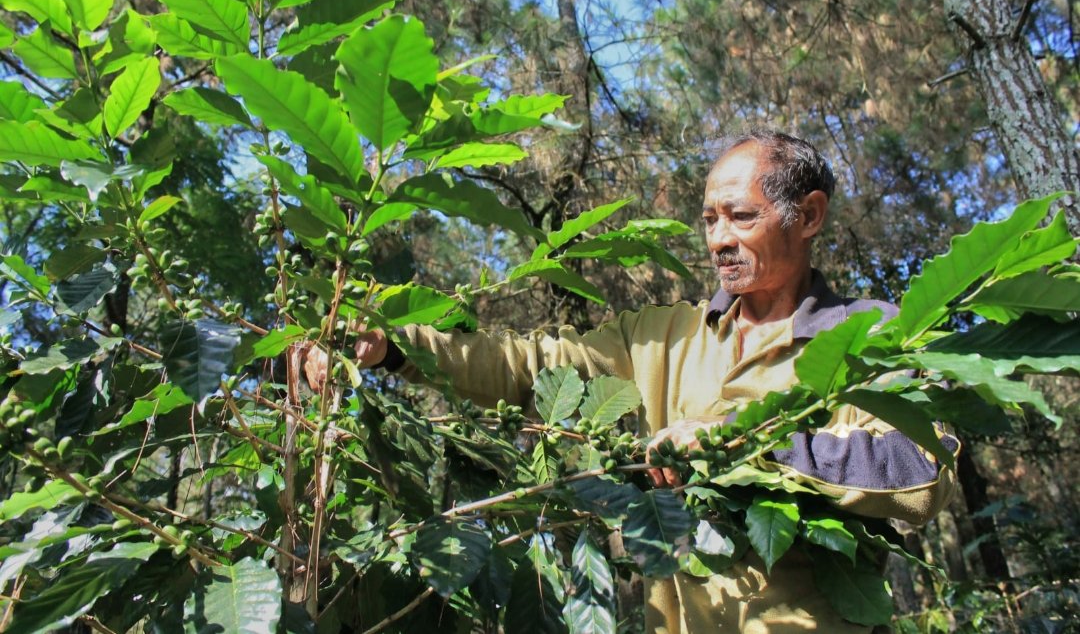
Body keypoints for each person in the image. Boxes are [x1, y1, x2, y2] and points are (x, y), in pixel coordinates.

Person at [315, 130, 958, 632]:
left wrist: (747, 443)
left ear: (809, 216)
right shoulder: (664, 334)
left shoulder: (873, 334)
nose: (718, 239)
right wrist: (396, 346)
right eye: (708, 219)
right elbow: (526, 365)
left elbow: (917, 470)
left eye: (740, 216)